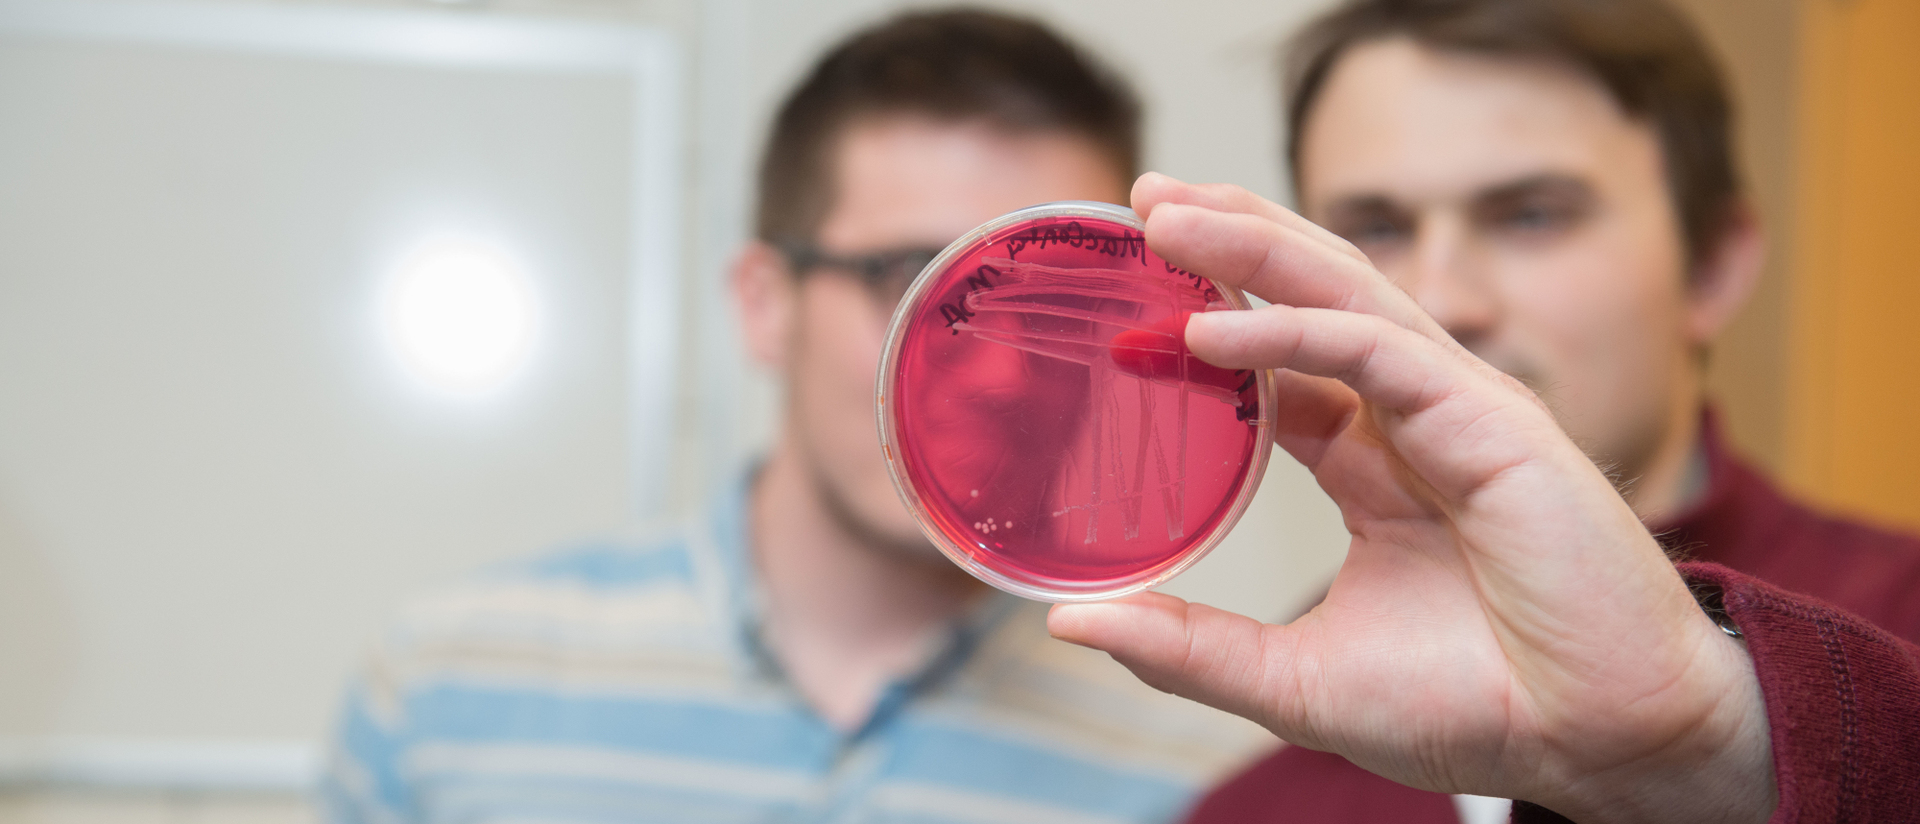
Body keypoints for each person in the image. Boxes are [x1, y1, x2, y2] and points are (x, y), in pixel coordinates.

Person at [320, 10, 1271, 824]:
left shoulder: (1205, 775)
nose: (1002, 377)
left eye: (1066, 301)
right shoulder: (446, 694)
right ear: (764, 305)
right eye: (911, 281)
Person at [1071, 1, 1920, 822]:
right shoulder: (1253, 805)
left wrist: (1728, 745)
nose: (1441, 298)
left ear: (1714, 268)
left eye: (1531, 215)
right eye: (1378, 225)